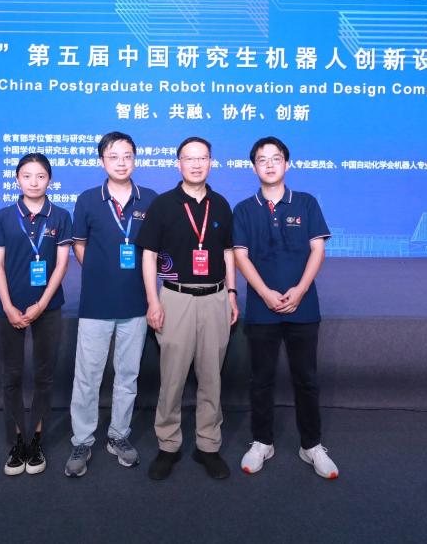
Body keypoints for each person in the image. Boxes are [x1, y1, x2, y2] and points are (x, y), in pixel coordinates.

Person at [232, 136, 339, 479]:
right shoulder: (243, 209)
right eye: (262, 159)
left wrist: (300, 289)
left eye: (275, 158)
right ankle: (262, 441)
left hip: (303, 307)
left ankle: (312, 445)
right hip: (261, 308)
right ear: (253, 167)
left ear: (287, 164)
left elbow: (318, 250)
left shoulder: (306, 203)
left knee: (306, 378)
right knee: (261, 379)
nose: (269, 164)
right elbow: (240, 256)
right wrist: (264, 293)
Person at [135, 136, 238, 480]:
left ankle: (208, 445)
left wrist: (232, 293)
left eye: (202, 158)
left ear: (211, 162)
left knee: (211, 377)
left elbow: (228, 252)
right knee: (173, 378)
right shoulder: (163, 205)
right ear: (178, 163)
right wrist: (153, 301)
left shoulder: (220, 205)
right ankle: (168, 445)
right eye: (189, 158)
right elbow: (148, 255)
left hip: (216, 298)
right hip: (175, 298)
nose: (196, 164)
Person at [64, 132, 158, 477]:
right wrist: (99, 271)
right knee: (87, 376)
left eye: (127, 155)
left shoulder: (150, 199)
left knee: (127, 376)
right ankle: (82, 440)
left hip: (136, 303)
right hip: (96, 303)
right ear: (101, 160)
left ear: (135, 159)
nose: (121, 162)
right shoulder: (88, 199)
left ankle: (119, 435)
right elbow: (79, 245)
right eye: (113, 156)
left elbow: (153, 250)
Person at [0, 152, 73, 476]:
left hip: (47, 307)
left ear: (50, 180)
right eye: (27, 176)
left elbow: (61, 265)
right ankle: (17, 441)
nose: (34, 182)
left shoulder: (60, 216)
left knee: (44, 377)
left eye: (40, 176)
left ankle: (35, 439)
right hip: (9, 308)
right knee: (11, 377)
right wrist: (9, 306)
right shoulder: (4, 216)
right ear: (17, 179)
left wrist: (42, 303)